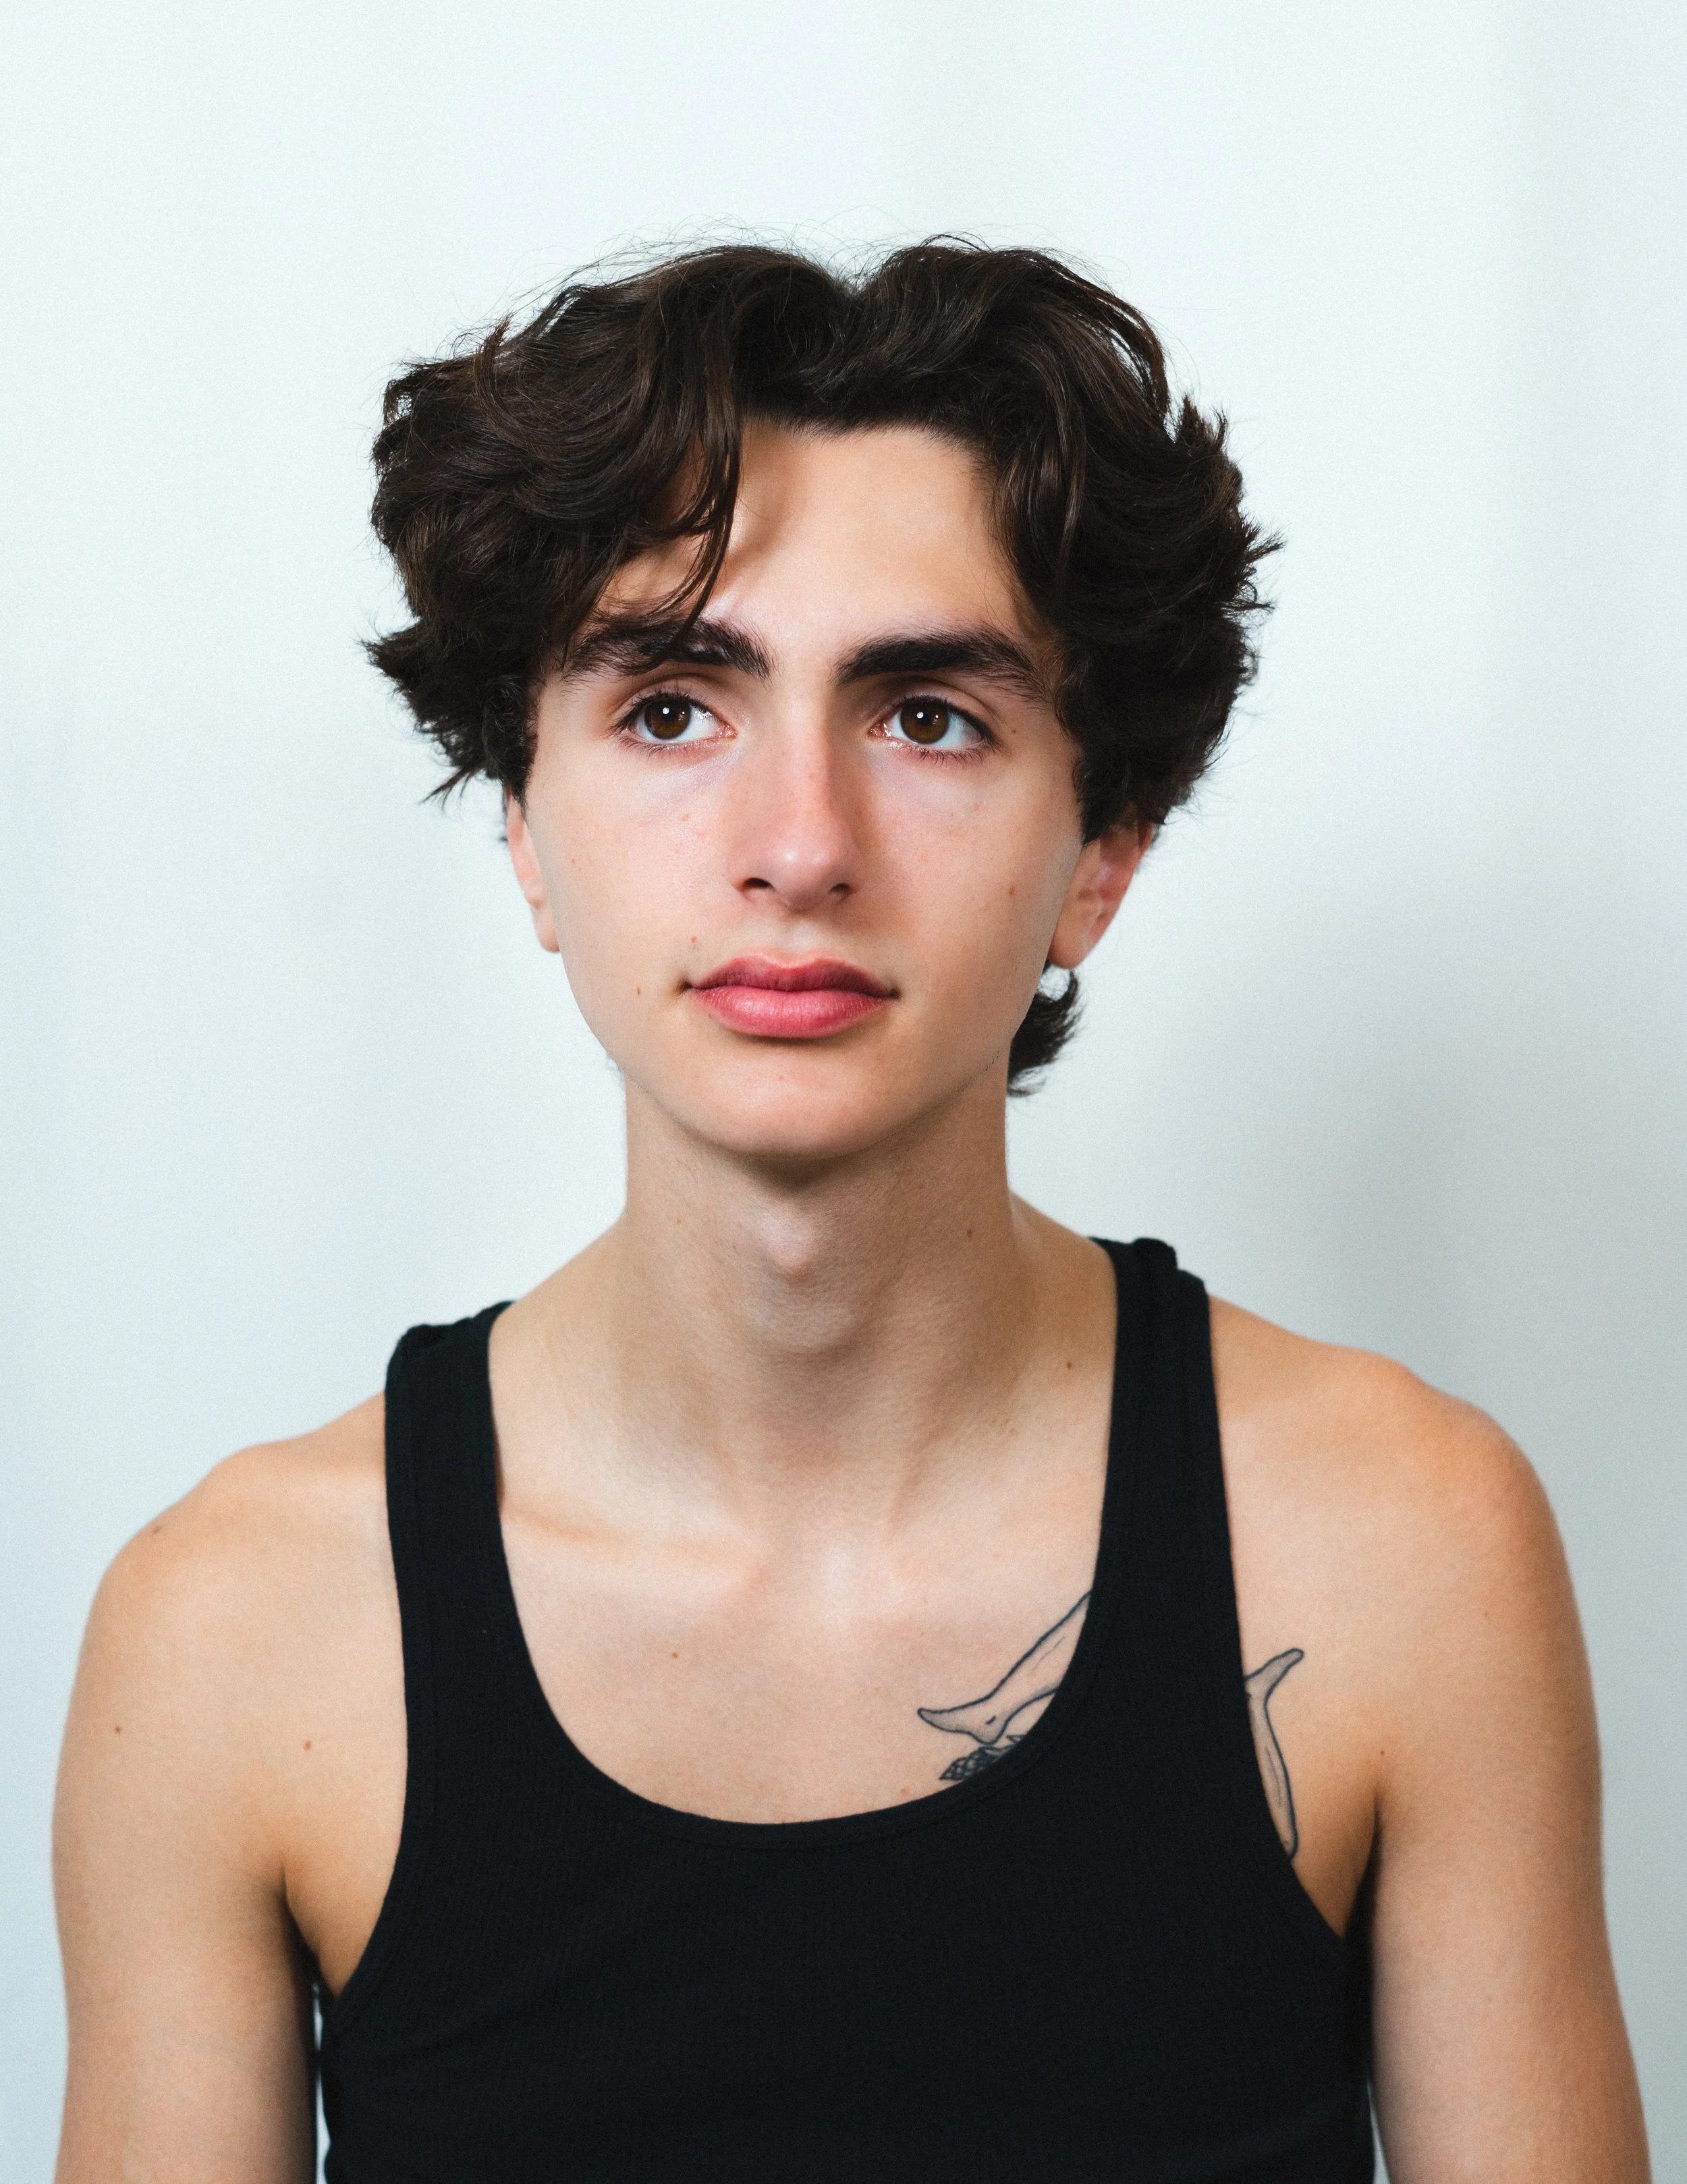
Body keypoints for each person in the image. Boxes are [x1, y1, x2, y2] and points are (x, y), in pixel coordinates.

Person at [52, 243, 1649, 2184]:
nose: (798, 844)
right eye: (669, 708)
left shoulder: (1398, 1549)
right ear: (524, 827)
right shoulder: (240, 1629)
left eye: (926, 718)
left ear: (1100, 857)